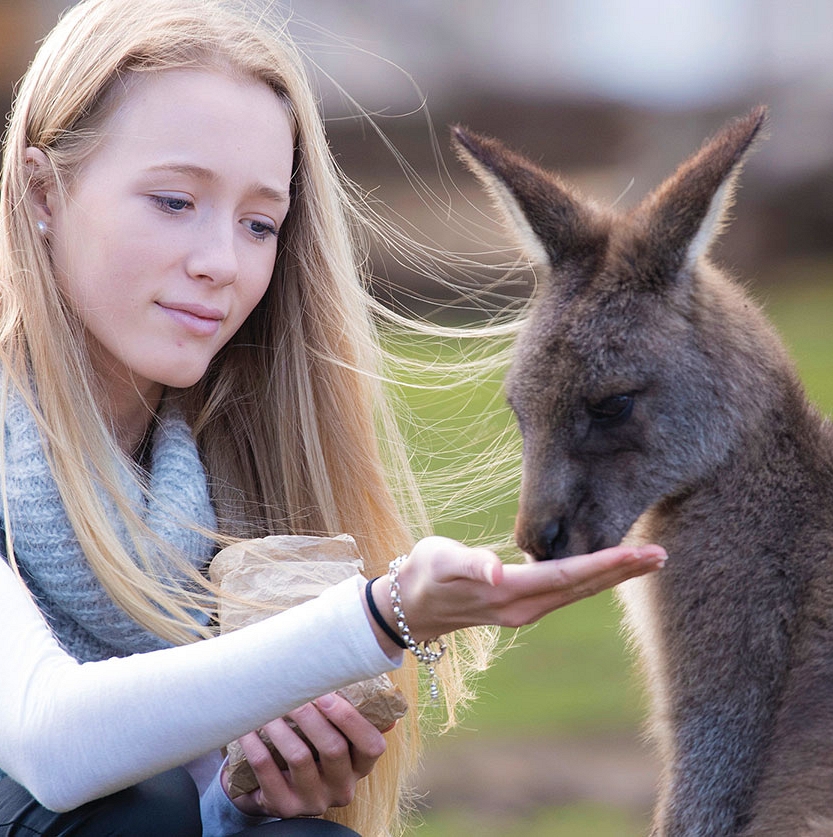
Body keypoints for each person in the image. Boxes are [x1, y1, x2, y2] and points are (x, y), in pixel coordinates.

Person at [0, 0, 668, 835]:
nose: (220, 263)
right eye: (174, 201)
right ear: (41, 192)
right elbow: (52, 746)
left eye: (258, 223)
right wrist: (380, 613)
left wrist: (244, 796)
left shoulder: (221, 482)